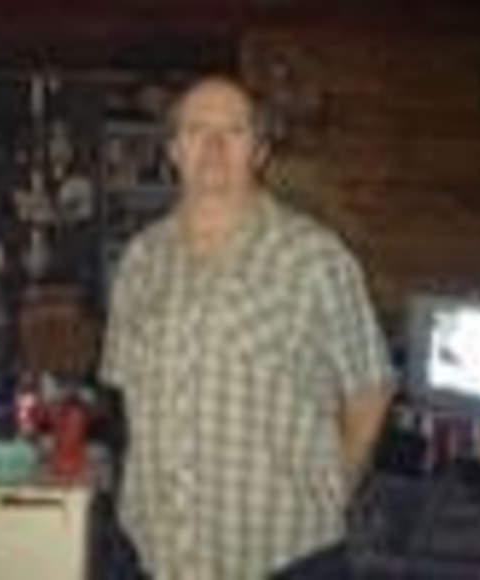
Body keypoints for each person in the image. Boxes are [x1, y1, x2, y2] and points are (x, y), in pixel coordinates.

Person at [99, 74, 394, 579]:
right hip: (157, 552)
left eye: (233, 131)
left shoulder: (314, 258)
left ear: (259, 151)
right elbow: (127, 389)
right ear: (174, 150)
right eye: (196, 130)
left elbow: (370, 389)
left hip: (283, 553)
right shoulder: (140, 260)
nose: (213, 148)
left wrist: (333, 490)